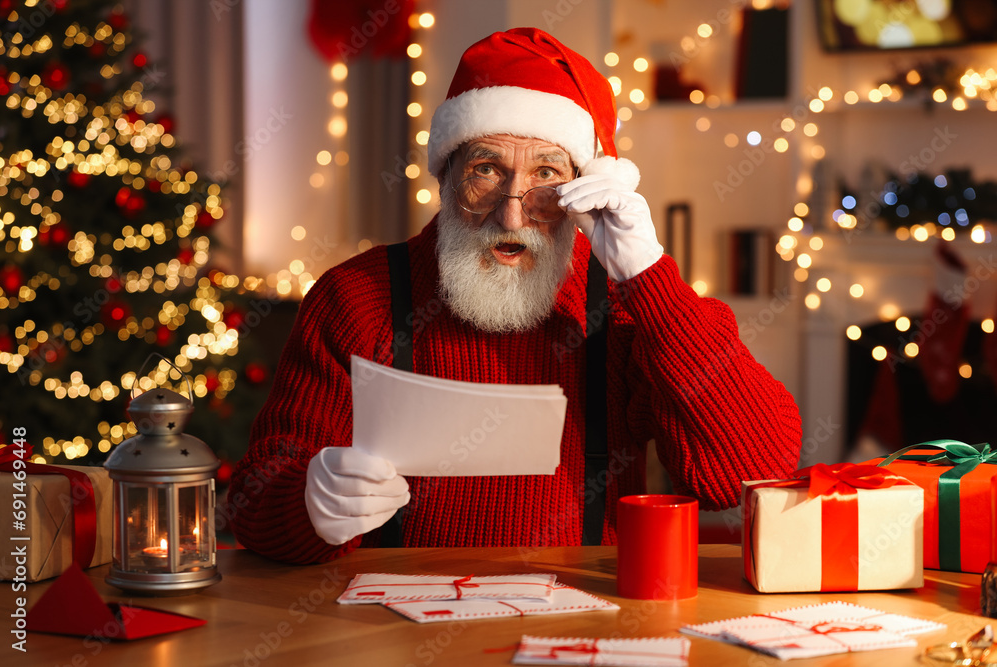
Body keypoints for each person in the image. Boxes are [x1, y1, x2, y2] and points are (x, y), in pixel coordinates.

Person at [229, 27, 802, 564]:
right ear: (445, 177)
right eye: (486, 169)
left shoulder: (626, 306)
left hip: (583, 625)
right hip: (394, 629)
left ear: (584, 189)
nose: (511, 211)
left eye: (547, 177)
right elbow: (252, 503)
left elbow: (749, 473)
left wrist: (650, 277)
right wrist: (305, 502)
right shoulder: (355, 298)